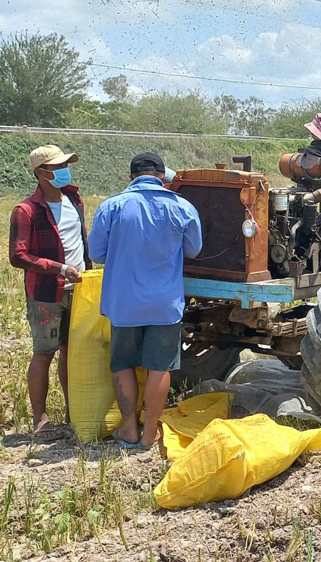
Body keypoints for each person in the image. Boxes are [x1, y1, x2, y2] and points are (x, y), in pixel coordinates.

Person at [88, 152, 202, 449]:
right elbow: (193, 250)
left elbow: (97, 253)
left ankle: (128, 429)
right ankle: (150, 433)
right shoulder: (183, 207)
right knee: (159, 367)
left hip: (123, 304)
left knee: (123, 363)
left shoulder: (111, 207)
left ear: (131, 177)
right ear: (163, 177)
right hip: (165, 303)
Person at [8, 145, 90, 440]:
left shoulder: (74, 199)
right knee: (44, 353)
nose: (64, 171)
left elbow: (81, 240)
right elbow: (18, 256)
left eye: (65, 165)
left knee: (71, 353)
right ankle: (40, 420)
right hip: (46, 293)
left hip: (79, 290)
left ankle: (73, 411)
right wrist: (58, 267)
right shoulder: (26, 210)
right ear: (41, 173)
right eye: (57, 167)